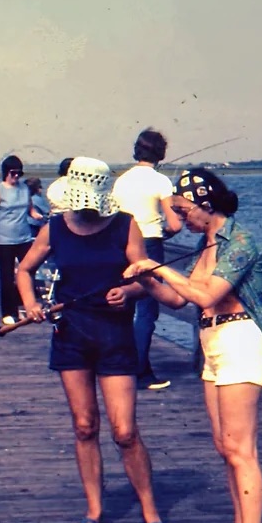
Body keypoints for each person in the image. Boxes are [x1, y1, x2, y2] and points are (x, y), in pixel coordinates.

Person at [124, 168, 262, 523]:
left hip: (242, 342)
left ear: (205, 203)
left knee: (240, 450)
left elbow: (208, 294)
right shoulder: (205, 244)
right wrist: (146, 280)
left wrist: (156, 265)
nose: (180, 218)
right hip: (212, 345)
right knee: (223, 446)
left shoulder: (240, 241)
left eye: (183, 209)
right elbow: (180, 299)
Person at [16, 157, 174, 523]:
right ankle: (94, 511)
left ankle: (151, 514)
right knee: (84, 426)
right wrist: (32, 304)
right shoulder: (55, 227)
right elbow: (24, 270)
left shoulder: (125, 225)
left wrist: (129, 291)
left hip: (115, 335)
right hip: (71, 333)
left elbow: (145, 278)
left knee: (124, 432)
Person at [112, 128, 183, 391]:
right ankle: (140, 371)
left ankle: (120, 367)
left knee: (124, 304)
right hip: (149, 244)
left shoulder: (121, 180)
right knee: (146, 310)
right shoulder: (161, 181)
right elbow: (175, 224)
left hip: (120, 245)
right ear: (160, 153)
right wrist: (164, 231)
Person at [0, 155, 41, 324]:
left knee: (28, 271)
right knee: (7, 276)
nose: (16, 177)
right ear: (6, 173)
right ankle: (9, 312)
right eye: (13, 173)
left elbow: (29, 209)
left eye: (19, 173)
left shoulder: (24, 188)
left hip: (24, 237)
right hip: (4, 239)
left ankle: (27, 305)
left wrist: (37, 216)